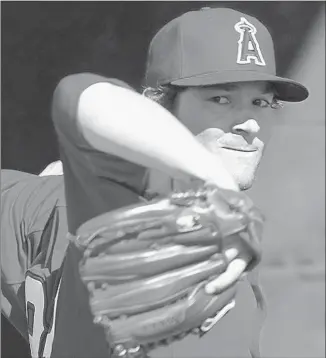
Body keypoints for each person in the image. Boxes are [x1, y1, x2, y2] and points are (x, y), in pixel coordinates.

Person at [1, 7, 308, 358]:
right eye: (221, 99)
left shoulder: (49, 202)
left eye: (261, 102)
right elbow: (79, 95)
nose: (251, 123)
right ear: (158, 107)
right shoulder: (138, 233)